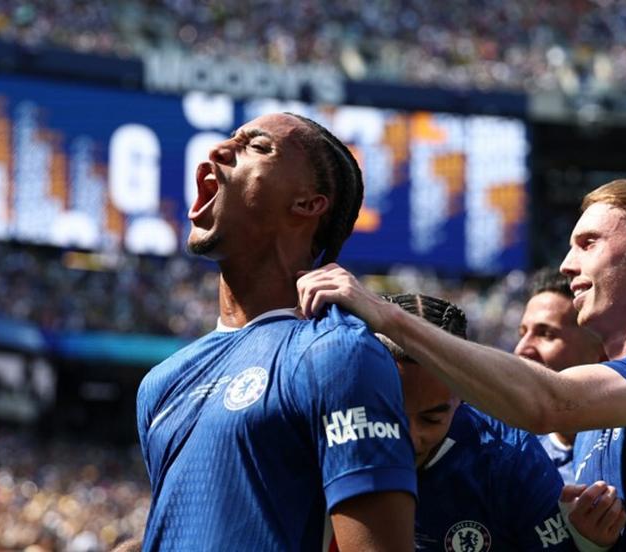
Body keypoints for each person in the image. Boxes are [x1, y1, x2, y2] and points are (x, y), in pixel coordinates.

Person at [297, 161, 626, 551]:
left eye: (588, 242)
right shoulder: (593, 427)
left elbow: (545, 403)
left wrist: (385, 316)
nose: (566, 264)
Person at [135, 113, 416, 551]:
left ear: (307, 203)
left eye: (257, 146)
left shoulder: (339, 355)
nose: (217, 150)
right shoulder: (161, 383)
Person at [380, 293, 624, 552]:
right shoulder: (336, 431)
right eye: (391, 415)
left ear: (464, 392)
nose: (410, 436)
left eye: (431, 419)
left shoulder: (512, 459)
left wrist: (591, 547)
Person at [514, 268, 607, 483]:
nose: (521, 349)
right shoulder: (510, 452)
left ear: (601, 351)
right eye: (522, 333)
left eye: (546, 334)